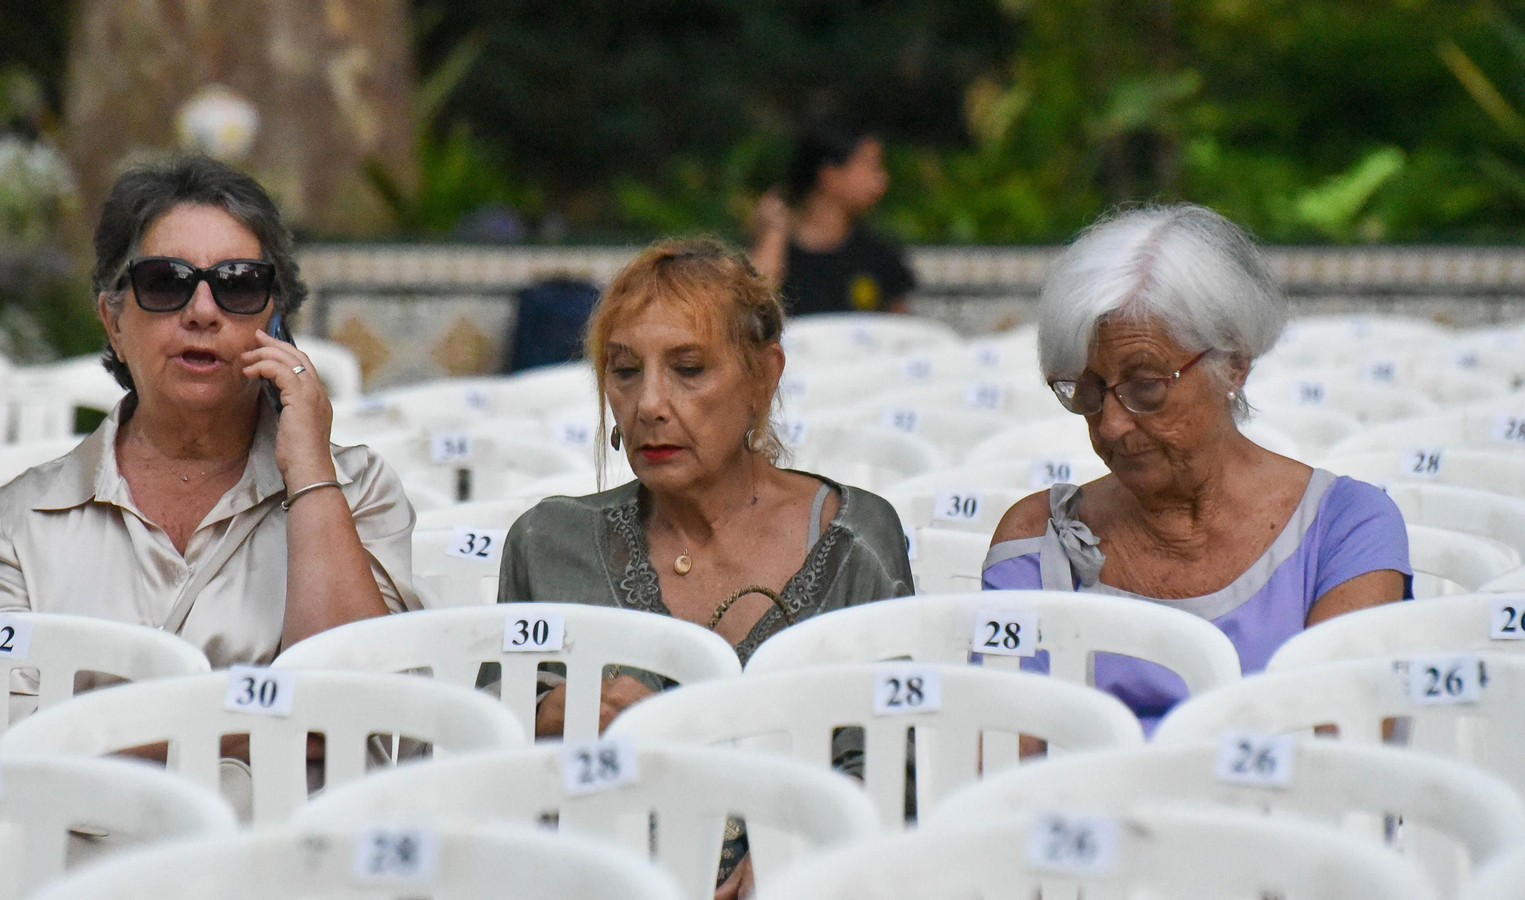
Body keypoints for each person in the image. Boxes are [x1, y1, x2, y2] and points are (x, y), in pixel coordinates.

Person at [499, 236, 913, 897]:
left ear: (763, 376)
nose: (650, 405)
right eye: (625, 371)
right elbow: (485, 778)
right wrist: (542, 720)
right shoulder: (551, 545)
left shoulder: (857, 540)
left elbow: (902, 758)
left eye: (689, 369)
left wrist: (801, 843)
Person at [0, 155, 416, 733]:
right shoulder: (19, 523)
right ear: (114, 322)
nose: (202, 311)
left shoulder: (357, 492)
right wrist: (253, 732)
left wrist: (311, 474)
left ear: (276, 324)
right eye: (165, 283)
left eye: (239, 286)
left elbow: (358, 718)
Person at [982, 204, 1410, 732]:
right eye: (1088, 392)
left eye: (1145, 386)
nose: (1111, 425)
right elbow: (1007, 781)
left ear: (1233, 363)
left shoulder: (1347, 527)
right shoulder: (1035, 541)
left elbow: (1339, 758)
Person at [750, 126, 916, 315]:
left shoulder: (879, 253)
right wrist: (773, 234)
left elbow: (901, 327)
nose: (882, 179)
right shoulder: (777, 249)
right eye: (871, 166)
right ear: (829, 175)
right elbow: (753, 308)